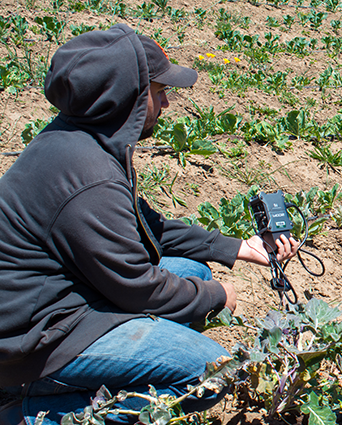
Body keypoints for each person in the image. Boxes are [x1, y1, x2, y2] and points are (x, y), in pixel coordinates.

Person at [0, 24, 299, 425]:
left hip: (54, 299)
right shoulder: (91, 178)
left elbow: (147, 226)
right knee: (211, 372)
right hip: (32, 340)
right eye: (159, 92)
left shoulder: (76, 140)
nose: (168, 103)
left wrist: (236, 248)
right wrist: (215, 296)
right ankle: (28, 409)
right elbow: (137, 287)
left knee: (191, 270)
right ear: (129, 100)